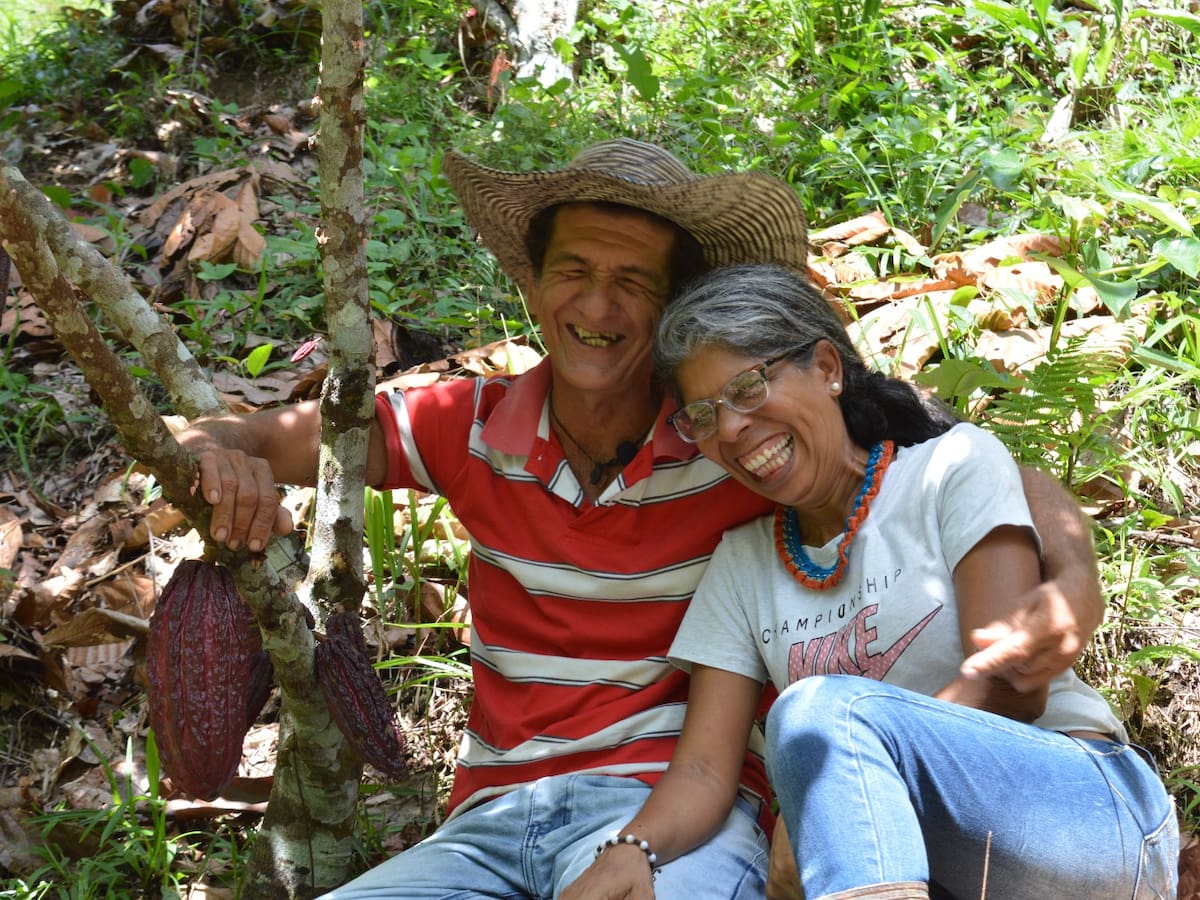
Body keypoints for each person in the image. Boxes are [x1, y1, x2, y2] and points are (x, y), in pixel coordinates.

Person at [177, 140, 1109, 899]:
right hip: (489, 823)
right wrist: (215, 459)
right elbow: (237, 432)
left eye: (635, 280)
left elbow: (962, 462)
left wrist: (1074, 579)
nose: (598, 304)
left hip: (672, 815)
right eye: (573, 270)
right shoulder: (460, 427)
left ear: (671, 312)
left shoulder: (729, 439)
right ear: (533, 287)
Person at [560, 263, 1179, 900]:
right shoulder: (742, 565)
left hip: (1084, 812)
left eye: (747, 388)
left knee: (815, 715)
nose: (733, 427)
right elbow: (701, 769)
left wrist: (837, 778)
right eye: (704, 415)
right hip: (929, 862)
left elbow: (1012, 687)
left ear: (827, 367)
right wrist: (629, 851)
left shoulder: (951, 467)